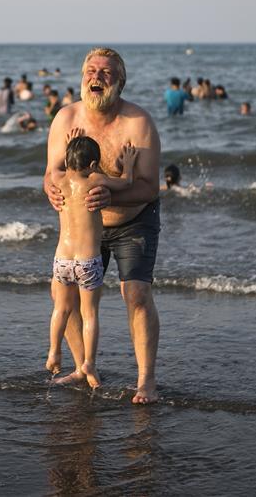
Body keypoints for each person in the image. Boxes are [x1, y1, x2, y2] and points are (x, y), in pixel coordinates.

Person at [44, 47, 162, 404]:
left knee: (136, 295)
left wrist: (112, 199)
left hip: (132, 221)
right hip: (81, 231)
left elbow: (149, 187)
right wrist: (50, 188)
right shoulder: (65, 119)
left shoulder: (138, 124)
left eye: (106, 72)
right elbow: (51, 173)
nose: (96, 76)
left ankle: (146, 382)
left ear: (120, 83)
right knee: (64, 298)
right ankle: (83, 367)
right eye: (90, 70)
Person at [47, 132, 139, 388]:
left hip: (61, 260)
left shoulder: (58, 180)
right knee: (90, 314)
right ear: (92, 165)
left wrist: (68, 146)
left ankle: (54, 351)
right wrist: (129, 164)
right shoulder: (95, 179)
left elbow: (56, 166)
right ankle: (88, 362)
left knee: (61, 309)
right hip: (87, 261)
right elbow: (126, 183)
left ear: (67, 160)